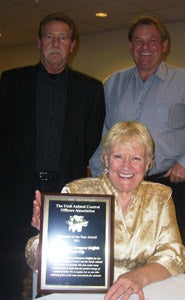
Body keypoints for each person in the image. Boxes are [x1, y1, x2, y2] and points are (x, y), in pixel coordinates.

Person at [0, 12, 105, 300]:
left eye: (63, 37)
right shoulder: (11, 82)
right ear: (38, 42)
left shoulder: (91, 89)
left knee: (60, 271)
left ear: (72, 45)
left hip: (65, 192)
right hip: (15, 192)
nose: (55, 43)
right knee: (8, 268)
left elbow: (90, 140)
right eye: (49, 36)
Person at [26, 121, 185, 300]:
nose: (126, 166)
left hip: (144, 291)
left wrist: (138, 277)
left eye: (136, 158)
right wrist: (48, 236)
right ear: (105, 159)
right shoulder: (77, 192)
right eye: (118, 156)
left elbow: (173, 254)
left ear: (148, 163)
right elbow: (40, 258)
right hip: (84, 295)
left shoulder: (160, 196)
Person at [89, 15, 185, 234]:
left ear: (164, 45)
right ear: (131, 46)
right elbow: (105, 133)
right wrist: (96, 176)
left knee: (166, 254)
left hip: (165, 184)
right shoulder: (113, 83)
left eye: (152, 41)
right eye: (138, 41)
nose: (145, 47)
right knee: (118, 248)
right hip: (118, 185)